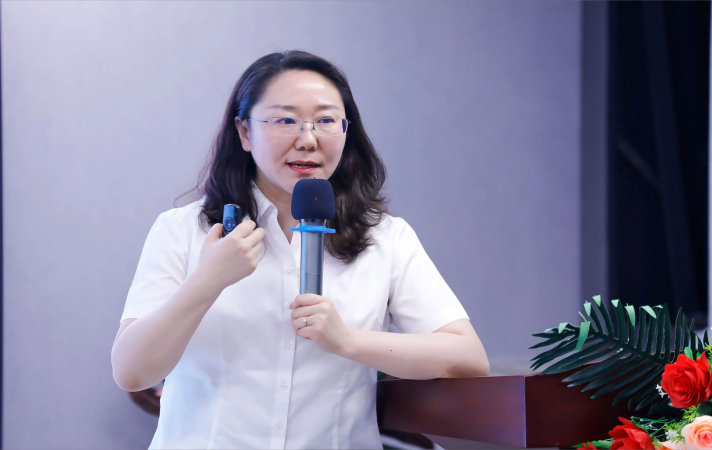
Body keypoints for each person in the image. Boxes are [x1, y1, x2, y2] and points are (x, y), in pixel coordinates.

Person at [111, 50, 489, 450]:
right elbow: (132, 372)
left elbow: (467, 358)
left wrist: (346, 341)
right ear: (244, 132)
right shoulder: (184, 230)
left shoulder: (385, 237)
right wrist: (207, 281)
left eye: (325, 120)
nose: (308, 140)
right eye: (285, 120)